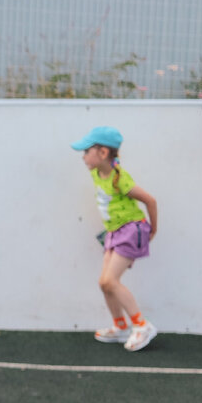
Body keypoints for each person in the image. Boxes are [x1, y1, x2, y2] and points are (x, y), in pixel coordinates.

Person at [71, 126, 159, 352]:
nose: (83, 156)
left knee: (111, 281)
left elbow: (150, 201)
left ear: (102, 153)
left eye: (87, 151)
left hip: (131, 230)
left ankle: (142, 326)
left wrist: (152, 230)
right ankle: (121, 327)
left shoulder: (121, 179)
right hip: (114, 232)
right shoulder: (96, 173)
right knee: (104, 283)